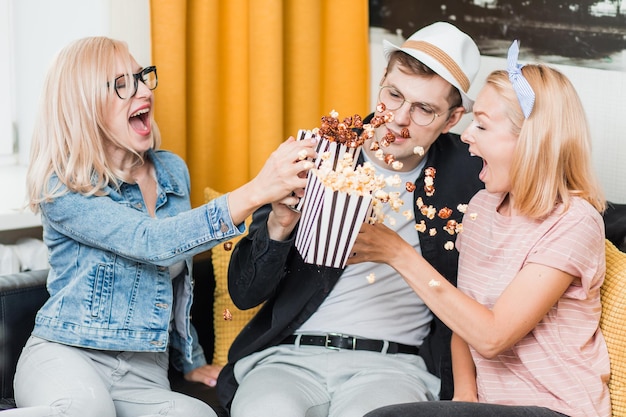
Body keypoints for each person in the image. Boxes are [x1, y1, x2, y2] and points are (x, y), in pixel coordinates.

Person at [8, 36, 316, 417]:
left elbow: (178, 277)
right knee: (86, 409)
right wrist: (257, 191)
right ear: (84, 105)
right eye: (122, 84)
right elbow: (151, 241)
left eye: (141, 76)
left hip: (143, 372)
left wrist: (192, 360)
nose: (142, 90)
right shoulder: (62, 184)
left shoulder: (171, 171)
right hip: (68, 355)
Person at [217, 22, 485, 417]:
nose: (398, 118)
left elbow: (548, 192)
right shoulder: (321, 151)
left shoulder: (471, 174)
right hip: (288, 359)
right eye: (393, 95)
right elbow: (243, 293)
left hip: (392, 367)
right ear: (382, 82)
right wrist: (279, 224)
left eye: (424, 110)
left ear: (452, 119)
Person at [357, 41, 611, 417]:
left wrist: (399, 254)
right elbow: (464, 316)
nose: (466, 137)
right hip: (489, 407)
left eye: (482, 126)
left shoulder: (574, 222)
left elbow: (492, 337)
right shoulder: (482, 207)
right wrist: (463, 398)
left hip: (554, 407)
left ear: (531, 141)